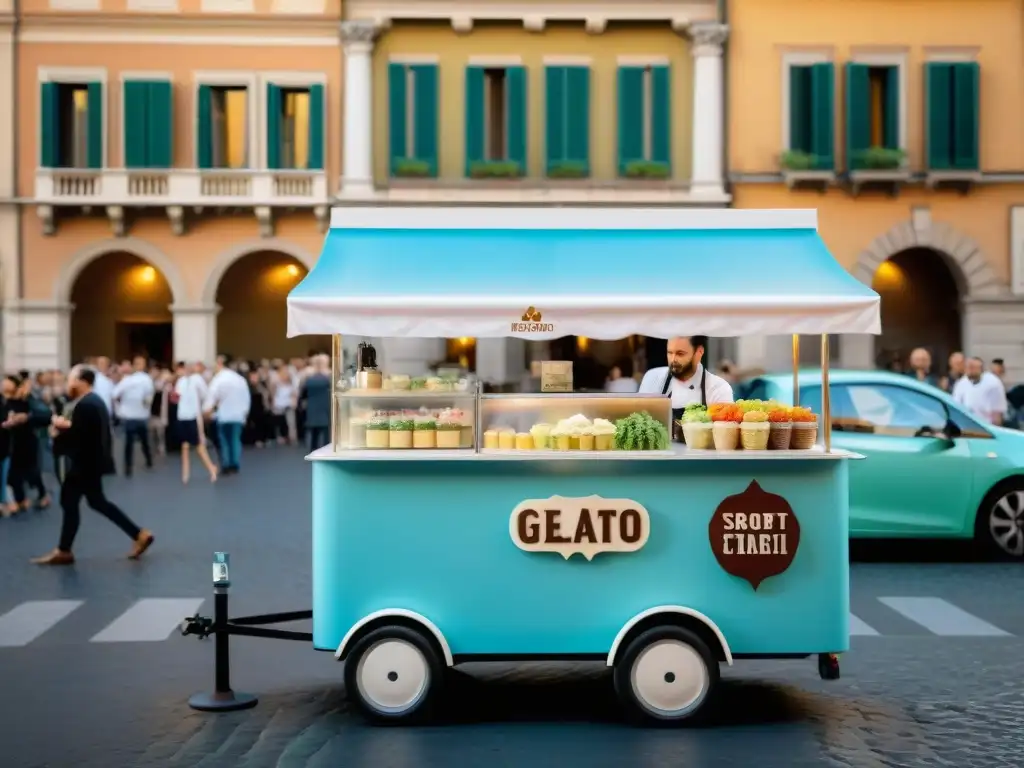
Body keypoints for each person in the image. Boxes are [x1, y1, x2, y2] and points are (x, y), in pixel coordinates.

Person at [31, 366, 154, 566]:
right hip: (90, 463)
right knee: (96, 502)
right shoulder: (92, 402)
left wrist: (58, 433)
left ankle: (64, 550)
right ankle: (138, 533)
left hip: (82, 464)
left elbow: (80, 436)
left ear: (82, 381)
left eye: (71, 379)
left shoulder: (86, 405)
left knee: (71, 503)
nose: (68, 383)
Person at [638, 336, 734, 441]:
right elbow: (639, 425)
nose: (673, 360)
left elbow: (726, 437)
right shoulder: (653, 378)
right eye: (670, 353)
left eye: (680, 354)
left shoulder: (718, 388)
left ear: (699, 352)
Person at [205, 355, 251, 475]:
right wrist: (244, 412)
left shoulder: (218, 379)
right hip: (237, 415)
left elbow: (212, 396)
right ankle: (234, 463)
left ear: (220, 364)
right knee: (235, 439)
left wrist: (207, 410)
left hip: (224, 415)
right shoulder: (240, 380)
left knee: (224, 440)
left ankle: (226, 464)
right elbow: (246, 398)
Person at [174, 361, 218, 484]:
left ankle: (211, 468)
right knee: (185, 446)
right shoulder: (180, 381)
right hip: (182, 416)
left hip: (193, 416)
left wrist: (204, 409)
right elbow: (176, 397)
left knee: (199, 446)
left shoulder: (197, 379)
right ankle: (185, 474)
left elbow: (205, 394)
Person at [112, 355, 155, 477]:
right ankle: (144, 462)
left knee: (133, 442)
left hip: (134, 415)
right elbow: (149, 397)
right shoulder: (143, 379)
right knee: (140, 441)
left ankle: (130, 466)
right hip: (137, 415)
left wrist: (120, 407)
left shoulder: (129, 380)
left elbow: (115, 394)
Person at [952, 357, 1008, 426]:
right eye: (968, 367)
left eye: (973, 367)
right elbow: (956, 406)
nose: (970, 370)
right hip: (965, 426)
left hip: (987, 427)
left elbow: (997, 413)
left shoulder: (993, 382)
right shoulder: (960, 383)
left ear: (981, 369)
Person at [300, 354, 331, 451]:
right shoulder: (328, 376)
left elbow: (303, 392)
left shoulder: (308, 377)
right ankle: (326, 449)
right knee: (325, 430)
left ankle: (313, 449)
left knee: (314, 431)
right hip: (324, 405)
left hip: (312, 405)